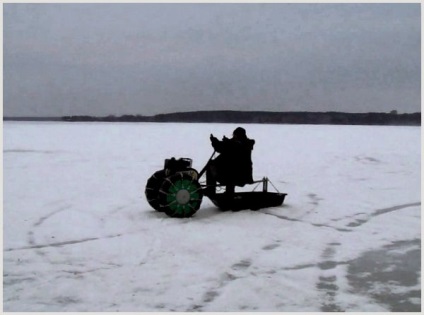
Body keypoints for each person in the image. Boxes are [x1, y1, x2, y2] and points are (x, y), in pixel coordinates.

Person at [206, 127, 255, 196]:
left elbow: (232, 147)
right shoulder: (235, 143)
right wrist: (215, 141)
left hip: (241, 174)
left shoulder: (244, 144)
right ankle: (225, 191)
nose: (233, 136)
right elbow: (223, 147)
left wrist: (224, 142)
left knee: (230, 170)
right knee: (225, 168)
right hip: (236, 173)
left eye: (235, 135)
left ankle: (213, 190)